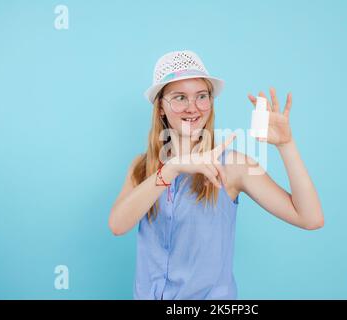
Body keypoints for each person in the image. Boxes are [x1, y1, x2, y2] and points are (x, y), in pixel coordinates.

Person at [109, 50, 324, 300]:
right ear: (160, 108)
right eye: (180, 97)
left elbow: (310, 218)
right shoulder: (141, 167)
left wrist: (286, 145)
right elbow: (117, 225)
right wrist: (172, 167)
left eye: (202, 96)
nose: (193, 107)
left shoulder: (232, 166)